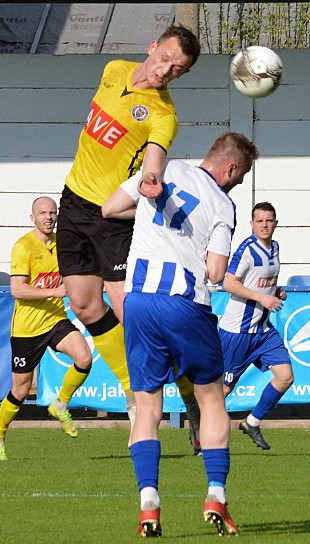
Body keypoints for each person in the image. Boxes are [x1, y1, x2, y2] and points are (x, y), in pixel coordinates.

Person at [102, 132, 260, 537]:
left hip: (138, 301)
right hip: (185, 303)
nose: (236, 183)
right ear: (230, 168)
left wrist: (145, 213)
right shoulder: (223, 203)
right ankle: (216, 495)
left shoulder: (165, 168)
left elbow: (110, 207)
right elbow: (217, 273)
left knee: (146, 404)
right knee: (210, 399)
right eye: (239, 176)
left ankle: (149, 503)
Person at [56, 25, 202, 426]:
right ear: (152, 47)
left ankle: (188, 389)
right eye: (165, 59)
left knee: (131, 312)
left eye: (177, 69)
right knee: (85, 307)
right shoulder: (113, 68)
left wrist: (151, 182)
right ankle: (130, 391)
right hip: (72, 201)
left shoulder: (164, 116)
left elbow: (152, 164)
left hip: (112, 219)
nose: (166, 70)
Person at [0, 197, 93, 461]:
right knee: (21, 391)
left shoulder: (63, 244)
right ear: (33, 218)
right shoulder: (23, 247)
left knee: (84, 357)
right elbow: (17, 289)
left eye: (52, 212)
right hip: (27, 328)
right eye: (43, 213)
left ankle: (60, 404)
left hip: (55, 320)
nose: (48, 217)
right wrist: (54, 291)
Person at [219, 202, 293, 451]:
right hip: (238, 331)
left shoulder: (275, 248)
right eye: (259, 221)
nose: (264, 225)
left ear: (276, 223)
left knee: (285, 377)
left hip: (262, 330)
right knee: (223, 390)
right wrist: (263, 298)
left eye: (269, 220)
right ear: (251, 224)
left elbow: (262, 280)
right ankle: (201, 433)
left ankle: (252, 422)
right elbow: (228, 283)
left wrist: (275, 291)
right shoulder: (246, 251)